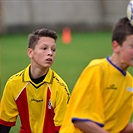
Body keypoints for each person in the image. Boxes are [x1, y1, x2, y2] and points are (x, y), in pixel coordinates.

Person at [59, 17, 133, 133]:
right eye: (132, 46)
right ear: (116, 46)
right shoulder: (97, 69)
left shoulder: (130, 82)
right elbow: (81, 121)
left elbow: (117, 127)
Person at [0, 28, 70, 133]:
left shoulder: (60, 88)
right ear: (30, 53)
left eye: (53, 49)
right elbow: (4, 125)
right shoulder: (13, 84)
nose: (50, 53)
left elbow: (63, 129)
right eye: (44, 48)